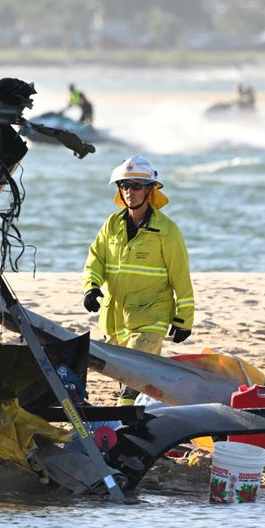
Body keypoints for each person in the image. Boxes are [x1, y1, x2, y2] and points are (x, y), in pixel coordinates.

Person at [82, 155, 195, 405]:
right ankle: (141, 418)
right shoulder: (111, 225)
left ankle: (122, 428)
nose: (129, 191)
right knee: (128, 376)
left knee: (132, 383)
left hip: (151, 317)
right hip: (115, 319)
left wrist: (184, 319)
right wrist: (91, 287)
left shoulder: (167, 231)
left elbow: (181, 277)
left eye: (136, 186)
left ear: (150, 190)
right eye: (124, 186)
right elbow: (95, 259)